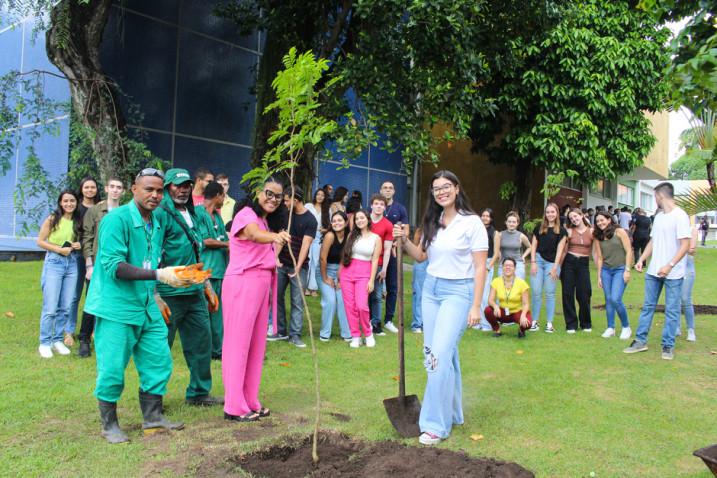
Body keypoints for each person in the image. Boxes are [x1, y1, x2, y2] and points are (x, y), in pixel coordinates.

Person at [84, 168, 200, 443]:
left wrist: (156, 294)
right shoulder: (116, 220)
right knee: (112, 368)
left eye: (160, 190)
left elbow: (149, 259)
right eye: (149, 189)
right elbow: (114, 266)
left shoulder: (156, 222)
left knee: (158, 360)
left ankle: (153, 417)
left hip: (146, 304)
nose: (155, 195)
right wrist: (160, 276)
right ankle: (109, 424)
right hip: (117, 307)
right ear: (133, 189)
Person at [393, 170, 487, 447]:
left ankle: (435, 424)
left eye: (446, 187)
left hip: (459, 292)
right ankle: (454, 411)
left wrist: (476, 306)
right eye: (436, 189)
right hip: (431, 291)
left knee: (438, 358)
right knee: (437, 355)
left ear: (457, 189)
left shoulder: (472, 223)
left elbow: (481, 266)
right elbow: (421, 257)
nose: (441, 192)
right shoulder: (433, 221)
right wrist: (405, 239)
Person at [222, 177, 290, 422]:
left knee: (256, 346)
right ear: (258, 192)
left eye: (278, 196)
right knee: (237, 345)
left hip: (261, 285)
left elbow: (263, 243)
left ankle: (250, 400)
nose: (273, 199)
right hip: (243, 282)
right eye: (269, 193)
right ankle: (234, 406)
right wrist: (274, 237)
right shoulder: (246, 214)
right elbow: (252, 235)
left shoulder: (263, 219)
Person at [156, 168, 222, 406]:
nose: (182, 189)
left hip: (194, 291)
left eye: (186, 185)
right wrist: (154, 294)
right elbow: (152, 252)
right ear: (167, 187)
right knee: (160, 348)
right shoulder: (161, 213)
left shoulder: (193, 213)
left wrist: (206, 285)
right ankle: (154, 398)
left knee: (201, 344)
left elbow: (197, 251)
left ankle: (199, 393)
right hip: (168, 293)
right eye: (177, 185)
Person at [624, 182, 691, 360]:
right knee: (648, 307)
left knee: (671, 310)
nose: (655, 200)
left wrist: (670, 265)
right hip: (653, 272)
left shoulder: (680, 216)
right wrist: (641, 259)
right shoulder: (659, 217)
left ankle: (668, 346)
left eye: (654, 196)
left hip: (673, 273)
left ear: (660, 196)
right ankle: (640, 341)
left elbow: (685, 245)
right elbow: (653, 242)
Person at [78, 177, 125, 357]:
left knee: (115, 303)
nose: (115, 190)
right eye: (112, 186)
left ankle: (109, 341)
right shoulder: (95, 211)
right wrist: (89, 265)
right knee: (92, 302)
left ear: (123, 191)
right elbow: (87, 238)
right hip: (97, 264)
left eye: (118, 187)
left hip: (118, 264)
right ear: (106, 188)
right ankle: (84, 340)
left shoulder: (125, 211)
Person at [267, 186, 317, 348]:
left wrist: (298, 267)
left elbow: (305, 245)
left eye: (287, 200)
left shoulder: (310, 220)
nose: (285, 202)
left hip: (299, 267)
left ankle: (295, 335)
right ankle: (280, 331)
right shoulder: (286, 215)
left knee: (297, 301)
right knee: (277, 297)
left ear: (296, 200)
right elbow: (281, 238)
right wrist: (275, 257)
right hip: (282, 264)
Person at [36, 190, 82, 358]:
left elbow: (76, 240)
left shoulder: (77, 220)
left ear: (76, 203)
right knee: (50, 306)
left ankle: (57, 340)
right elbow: (40, 241)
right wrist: (58, 250)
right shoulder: (52, 219)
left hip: (71, 263)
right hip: (54, 262)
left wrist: (77, 245)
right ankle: (45, 342)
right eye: (66, 201)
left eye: (72, 201)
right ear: (60, 203)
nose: (69, 204)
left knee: (66, 306)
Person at [195, 181, 229, 360]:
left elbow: (220, 236)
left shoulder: (218, 215)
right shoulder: (198, 213)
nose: (224, 199)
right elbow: (205, 240)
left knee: (217, 311)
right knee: (205, 311)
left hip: (220, 270)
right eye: (223, 195)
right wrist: (226, 244)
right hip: (206, 270)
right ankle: (206, 348)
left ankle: (217, 349)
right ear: (217, 195)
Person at [66, 177, 101, 346]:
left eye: (92, 187)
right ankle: (69, 330)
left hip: (94, 257)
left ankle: (93, 329)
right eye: (86, 187)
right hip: (77, 256)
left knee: (93, 294)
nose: (89, 190)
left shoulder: (102, 208)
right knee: (74, 295)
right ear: (81, 189)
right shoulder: (75, 207)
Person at [339, 209, 381, 348]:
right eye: (357, 219)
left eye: (362, 218)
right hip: (347, 272)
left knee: (362, 306)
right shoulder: (352, 235)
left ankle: (368, 333)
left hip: (364, 273)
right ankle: (355, 335)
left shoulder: (376, 238)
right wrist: (340, 275)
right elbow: (345, 255)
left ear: (367, 219)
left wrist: (371, 280)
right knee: (350, 306)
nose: (359, 221)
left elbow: (375, 260)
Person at [593, 211, 633, 339]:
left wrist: (627, 270)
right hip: (606, 270)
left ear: (609, 219)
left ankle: (626, 327)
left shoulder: (619, 232)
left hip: (620, 269)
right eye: (598, 221)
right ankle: (611, 328)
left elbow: (629, 251)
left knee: (616, 299)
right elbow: (599, 258)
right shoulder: (598, 236)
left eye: (602, 220)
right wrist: (599, 276)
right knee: (608, 300)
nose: (600, 223)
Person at [529, 203, 566, 333]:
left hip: (552, 263)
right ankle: (534, 321)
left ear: (556, 213)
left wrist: (555, 267)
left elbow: (560, 250)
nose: (550, 214)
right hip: (538, 261)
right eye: (548, 212)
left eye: (552, 212)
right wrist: (533, 262)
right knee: (536, 292)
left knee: (550, 293)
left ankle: (549, 323)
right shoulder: (539, 228)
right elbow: (533, 246)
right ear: (545, 214)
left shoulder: (562, 231)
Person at [557, 208, 596, 333]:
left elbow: (595, 252)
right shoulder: (568, 231)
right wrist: (558, 267)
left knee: (584, 293)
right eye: (571, 218)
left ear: (581, 215)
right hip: (569, 263)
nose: (574, 219)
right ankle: (571, 324)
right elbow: (563, 251)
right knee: (567, 293)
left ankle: (586, 323)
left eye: (575, 216)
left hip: (583, 264)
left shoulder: (592, 232)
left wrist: (600, 268)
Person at [380, 181, 409, 333]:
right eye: (385, 187)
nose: (388, 190)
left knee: (392, 286)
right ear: (380, 190)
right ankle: (373, 320)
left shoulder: (400, 208)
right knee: (373, 287)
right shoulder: (374, 206)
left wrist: (398, 241)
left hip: (392, 252)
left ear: (394, 191)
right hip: (376, 252)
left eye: (390, 188)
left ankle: (388, 320)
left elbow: (406, 233)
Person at [318, 211, 352, 342]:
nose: (337, 223)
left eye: (340, 220)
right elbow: (322, 259)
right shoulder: (330, 236)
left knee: (343, 300)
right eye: (334, 221)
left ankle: (346, 333)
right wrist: (326, 278)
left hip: (341, 271)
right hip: (324, 270)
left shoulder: (349, 236)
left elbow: (346, 258)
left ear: (346, 222)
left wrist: (341, 278)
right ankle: (325, 333)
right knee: (330, 301)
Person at [367, 194, 396, 335]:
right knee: (363, 294)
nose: (379, 206)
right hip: (362, 263)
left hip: (377, 265)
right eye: (376, 203)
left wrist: (384, 269)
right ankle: (363, 322)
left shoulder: (388, 225)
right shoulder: (364, 220)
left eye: (382, 204)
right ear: (371, 205)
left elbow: (388, 249)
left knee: (377, 296)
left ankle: (376, 324)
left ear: (385, 207)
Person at [485, 258, 532, 338]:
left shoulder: (522, 283)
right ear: (502, 267)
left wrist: (523, 315)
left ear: (515, 268)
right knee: (488, 310)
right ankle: (497, 330)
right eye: (506, 265)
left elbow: (526, 303)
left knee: (528, 323)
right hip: (502, 312)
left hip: (516, 312)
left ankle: (521, 330)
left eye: (511, 266)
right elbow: (490, 300)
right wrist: (495, 306)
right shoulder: (496, 281)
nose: (508, 267)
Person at [475, 208, 498, 331]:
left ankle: (486, 323)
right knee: (475, 293)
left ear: (491, 218)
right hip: (476, 262)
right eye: (483, 215)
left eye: (487, 216)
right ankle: (475, 321)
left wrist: (488, 268)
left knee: (484, 295)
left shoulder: (495, 233)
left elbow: (496, 253)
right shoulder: (477, 231)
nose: (484, 218)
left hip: (487, 263)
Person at [676, 224, 699, 342]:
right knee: (675, 299)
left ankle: (691, 329)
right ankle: (677, 326)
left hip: (687, 267)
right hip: (674, 267)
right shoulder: (673, 228)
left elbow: (691, 250)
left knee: (685, 299)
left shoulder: (692, 230)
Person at [304, 188, 327, 297]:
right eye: (318, 194)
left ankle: (313, 288)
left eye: (322, 195)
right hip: (308, 236)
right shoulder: (308, 206)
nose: (320, 197)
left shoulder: (326, 210)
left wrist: (325, 230)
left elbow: (331, 225)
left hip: (319, 238)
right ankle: (305, 287)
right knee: (307, 261)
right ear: (315, 195)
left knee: (316, 262)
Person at [495, 212, 531, 279]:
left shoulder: (521, 236)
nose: (511, 224)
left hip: (518, 264)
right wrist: (499, 255)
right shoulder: (500, 235)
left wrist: (523, 256)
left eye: (514, 222)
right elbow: (496, 247)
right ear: (506, 222)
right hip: (503, 263)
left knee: (518, 287)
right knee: (502, 286)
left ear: (517, 223)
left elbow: (530, 247)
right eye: (509, 222)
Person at [410, 227, 427, 333]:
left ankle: (427, 322)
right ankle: (417, 323)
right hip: (422, 262)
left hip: (436, 261)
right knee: (419, 293)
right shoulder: (421, 231)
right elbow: (416, 248)